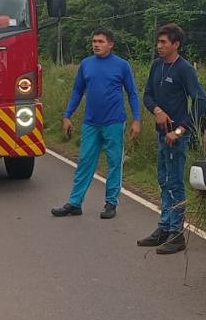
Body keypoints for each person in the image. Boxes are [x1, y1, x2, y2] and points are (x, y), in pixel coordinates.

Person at [51, 28, 141, 220]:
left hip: (114, 121)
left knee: (114, 162)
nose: (96, 45)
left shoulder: (121, 65)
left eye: (100, 41)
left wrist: (137, 119)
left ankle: (111, 203)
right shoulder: (86, 64)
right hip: (91, 122)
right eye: (94, 41)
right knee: (84, 161)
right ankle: (75, 203)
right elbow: (77, 91)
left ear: (110, 44)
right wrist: (67, 115)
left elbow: (132, 93)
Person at [139, 24, 206, 255]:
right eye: (158, 42)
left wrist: (179, 130)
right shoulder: (157, 66)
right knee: (163, 180)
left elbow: (200, 101)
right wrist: (156, 110)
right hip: (161, 135)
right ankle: (164, 227)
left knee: (176, 183)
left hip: (177, 136)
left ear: (175, 44)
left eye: (164, 42)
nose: (159, 46)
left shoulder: (184, 69)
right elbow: (147, 94)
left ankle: (177, 234)